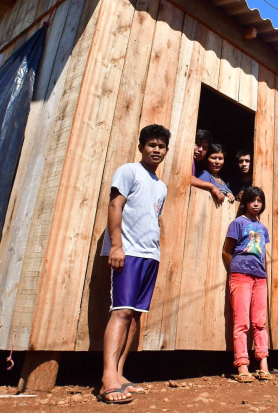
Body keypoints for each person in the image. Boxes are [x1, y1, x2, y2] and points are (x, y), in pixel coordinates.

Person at [99, 124, 170, 404]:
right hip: (128, 252)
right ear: (141, 146)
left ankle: (120, 374)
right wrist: (116, 245)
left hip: (150, 255)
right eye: (152, 144)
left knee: (136, 314)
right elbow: (115, 206)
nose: (156, 150)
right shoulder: (128, 171)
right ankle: (107, 379)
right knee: (122, 311)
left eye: (161, 146)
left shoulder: (161, 185)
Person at [222, 186, 271, 382]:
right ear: (245, 203)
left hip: (260, 277)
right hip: (240, 275)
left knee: (260, 322)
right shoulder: (237, 223)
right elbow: (226, 251)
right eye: (252, 201)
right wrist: (235, 267)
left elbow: (263, 255)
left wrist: (264, 274)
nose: (256, 204)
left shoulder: (263, 229)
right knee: (241, 322)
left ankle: (263, 364)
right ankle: (242, 365)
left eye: (259, 201)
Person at [190, 129, 226, 204]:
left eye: (205, 147)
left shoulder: (193, 163)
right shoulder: (186, 159)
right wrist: (212, 186)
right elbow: (185, 178)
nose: (200, 149)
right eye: (197, 144)